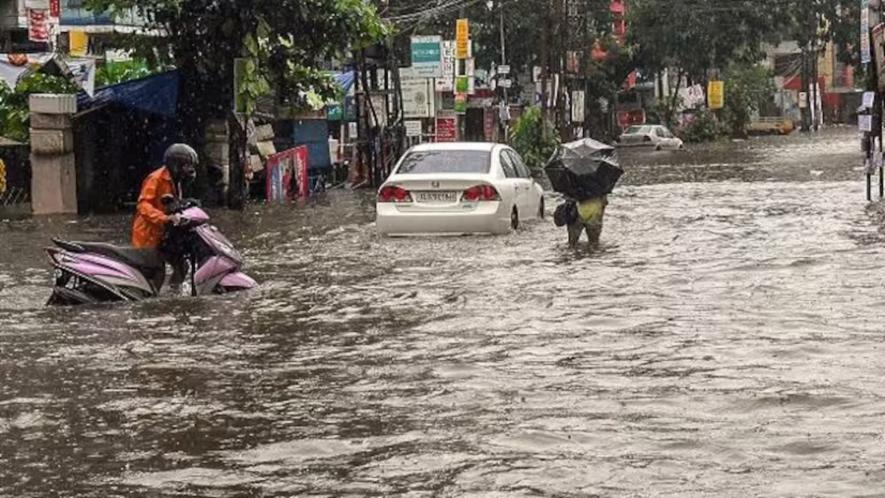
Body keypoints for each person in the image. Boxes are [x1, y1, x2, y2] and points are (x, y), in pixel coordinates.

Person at [131, 143, 199, 291]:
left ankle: (173, 293)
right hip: (147, 236)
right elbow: (143, 206)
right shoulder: (155, 179)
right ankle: (151, 299)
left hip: (164, 235)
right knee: (157, 270)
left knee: (182, 266)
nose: (189, 170)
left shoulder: (176, 182)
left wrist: (184, 204)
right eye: (186, 166)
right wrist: (164, 218)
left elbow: (171, 204)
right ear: (176, 165)